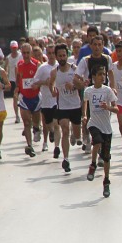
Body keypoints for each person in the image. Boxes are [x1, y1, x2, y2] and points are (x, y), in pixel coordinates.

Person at [83, 65, 118, 197]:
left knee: (106, 157)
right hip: (94, 123)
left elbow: (117, 109)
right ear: (93, 77)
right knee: (96, 142)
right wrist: (85, 115)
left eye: (104, 74)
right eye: (100, 74)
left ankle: (106, 181)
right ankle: (92, 165)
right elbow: (85, 102)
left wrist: (108, 107)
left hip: (106, 128)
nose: (103, 77)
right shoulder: (89, 91)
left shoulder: (108, 91)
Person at [53, 44, 81, 172]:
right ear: (56, 57)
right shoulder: (54, 72)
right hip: (62, 106)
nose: (62, 57)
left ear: (67, 55)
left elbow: (82, 85)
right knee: (64, 129)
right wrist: (53, 90)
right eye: (60, 56)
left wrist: (74, 86)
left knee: (76, 133)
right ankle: (66, 159)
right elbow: (50, 84)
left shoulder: (74, 69)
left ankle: (75, 136)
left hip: (75, 105)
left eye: (64, 55)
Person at [32, 43, 60, 155]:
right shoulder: (43, 68)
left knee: (57, 123)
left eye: (54, 53)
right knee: (48, 124)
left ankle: (57, 148)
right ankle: (51, 132)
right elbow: (34, 82)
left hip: (57, 100)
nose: (52, 55)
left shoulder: (60, 66)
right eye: (49, 53)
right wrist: (45, 82)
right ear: (46, 54)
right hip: (46, 101)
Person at [16, 43, 42, 157]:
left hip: (36, 97)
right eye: (23, 53)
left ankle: (37, 129)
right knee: (26, 123)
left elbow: (42, 79)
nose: (25, 55)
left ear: (31, 53)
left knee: (35, 122)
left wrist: (37, 85)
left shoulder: (37, 64)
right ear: (21, 53)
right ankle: (29, 146)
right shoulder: (19, 64)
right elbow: (18, 79)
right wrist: (18, 89)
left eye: (27, 53)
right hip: (24, 98)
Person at [4, 40, 22, 123]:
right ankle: (17, 116)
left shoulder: (21, 55)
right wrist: (6, 74)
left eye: (15, 48)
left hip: (21, 79)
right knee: (15, 98)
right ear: (11, 48)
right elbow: (6, 67)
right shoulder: (8, 57)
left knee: (22, 98)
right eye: (13, 48)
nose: (14, 49)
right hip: (13, 80)